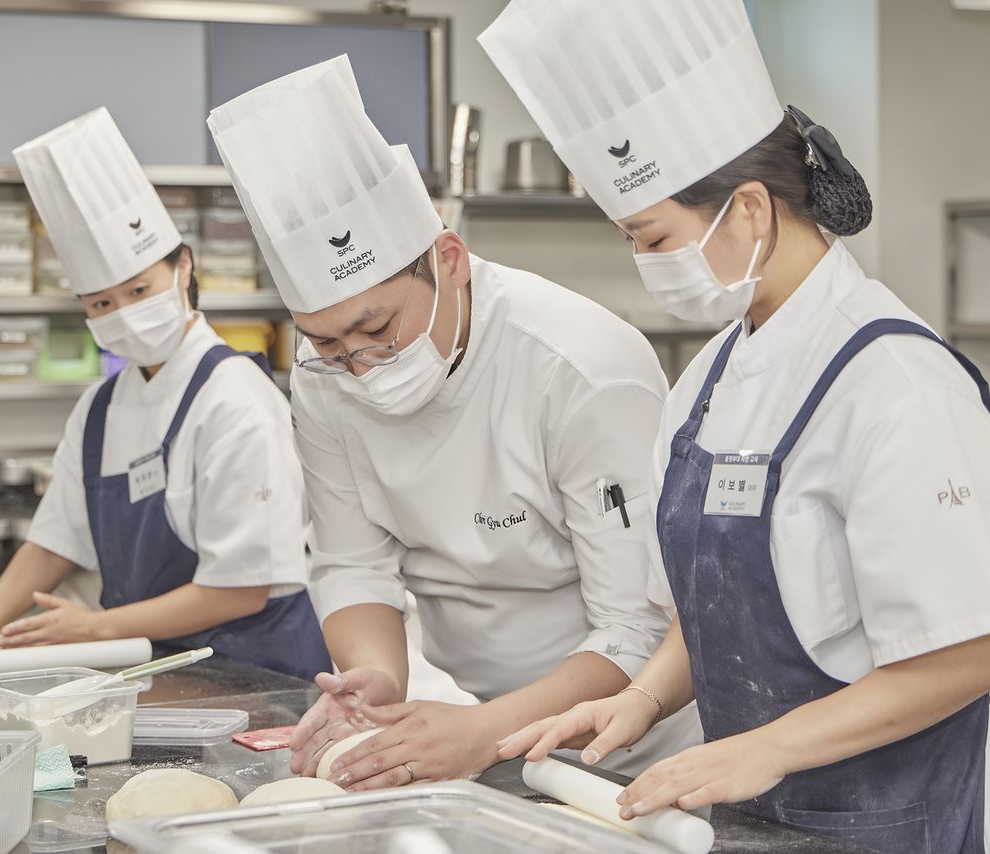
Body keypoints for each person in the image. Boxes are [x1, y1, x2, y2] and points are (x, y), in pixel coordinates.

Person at [482, 2, 990, 851]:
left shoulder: (894, 382)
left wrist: (768, 749)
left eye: (653, 237)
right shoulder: (709, 376)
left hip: (912, 812)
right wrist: (639, 700)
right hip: (770, 817)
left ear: (748, 208)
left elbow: (984, 648)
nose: (645, 263)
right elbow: (712, 608)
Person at [209, 55, 701, 787]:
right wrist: (375, 676)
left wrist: (486, 730)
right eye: (331, 344)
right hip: (472, 723)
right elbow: (351, 563)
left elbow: (639, 626)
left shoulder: (578, 368)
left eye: (379, 329)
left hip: (634, 747)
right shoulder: (322, 382)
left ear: (449, 260)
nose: (362, 366)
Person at [0, 108, 330, 680]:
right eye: (101, 304)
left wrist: (96, 627)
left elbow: (242, 590)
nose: (123, 314)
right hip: (152, 671)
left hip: (259, 675)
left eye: (139, 289)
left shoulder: (237, 403)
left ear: (184, 267)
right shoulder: (99, 409)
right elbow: (56, 539)